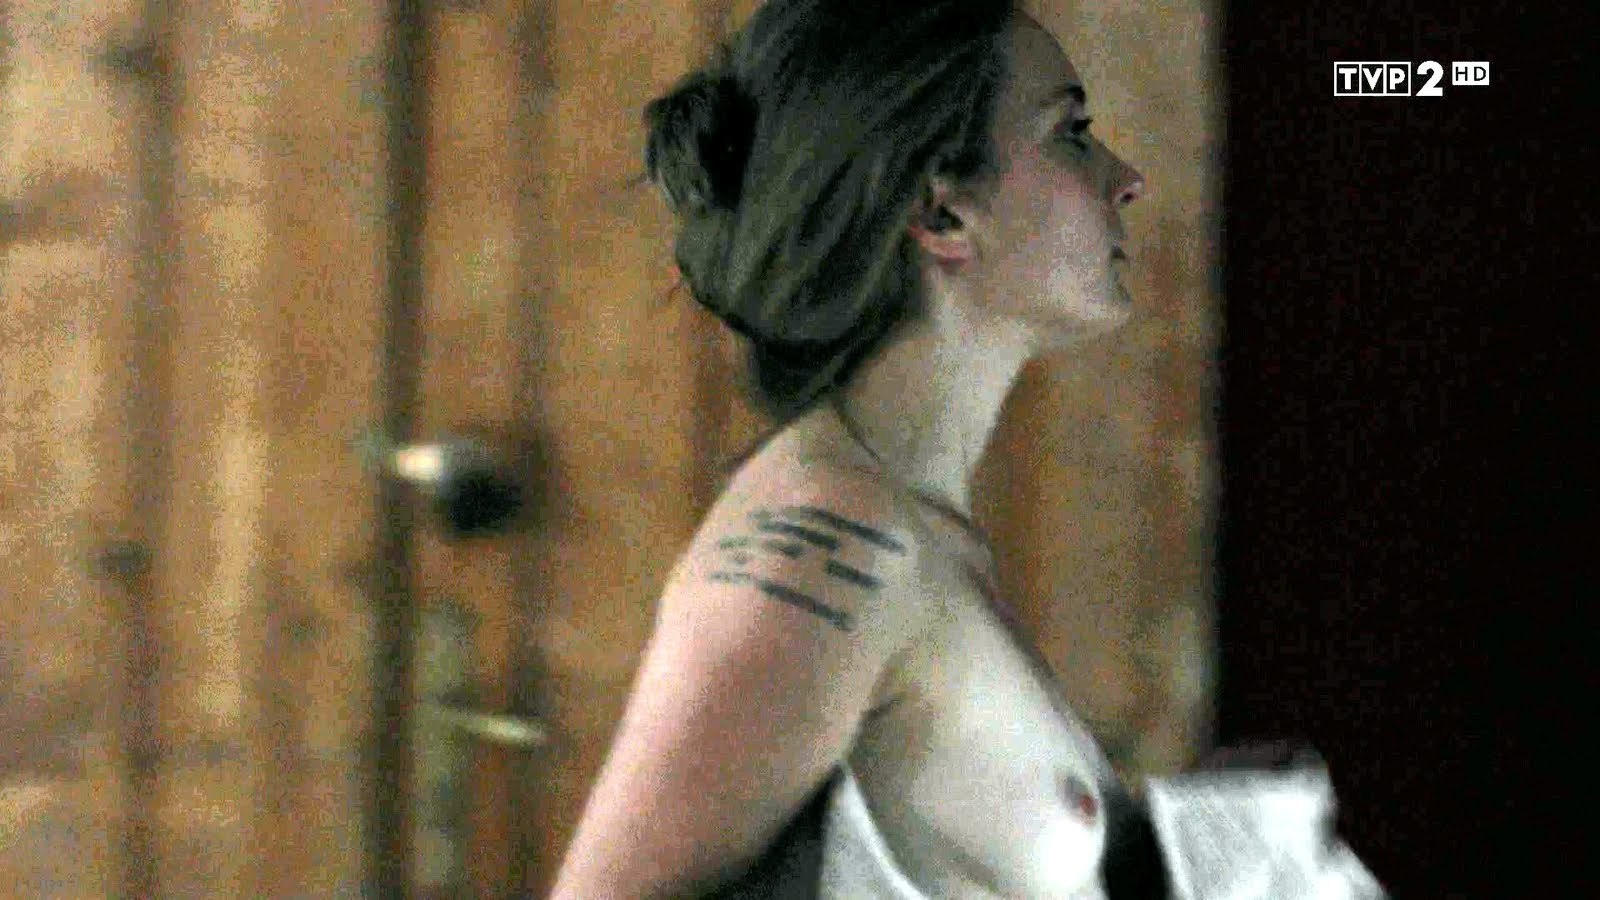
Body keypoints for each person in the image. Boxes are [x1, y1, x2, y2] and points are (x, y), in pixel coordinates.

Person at [550, 1, 1154, 896]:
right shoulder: (824, 541)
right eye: (1071, 133)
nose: (1126, 178)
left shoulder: (911, 526)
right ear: (941, 211)